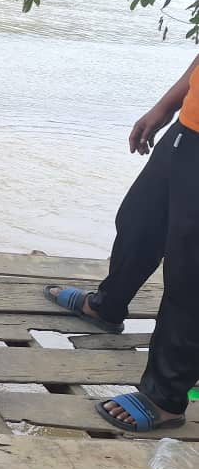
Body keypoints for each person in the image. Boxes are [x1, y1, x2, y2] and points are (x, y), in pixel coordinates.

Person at [45, 56, 199, 433]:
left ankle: (164, 398)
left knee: (189, 270)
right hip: (187, 132)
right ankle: (106, 305)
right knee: (138, 222)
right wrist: (165, 107)